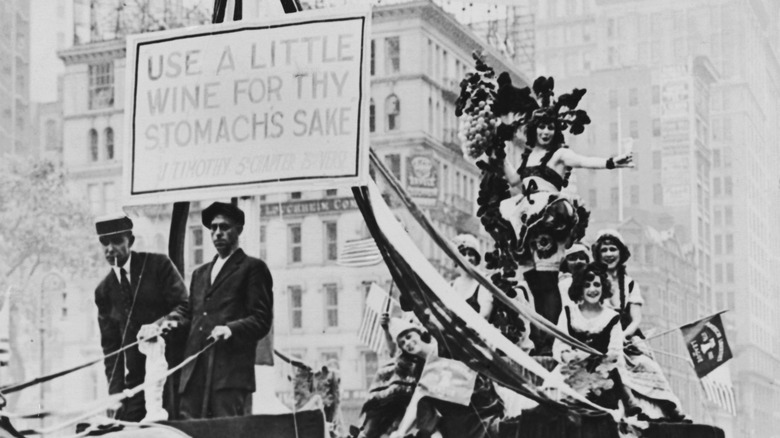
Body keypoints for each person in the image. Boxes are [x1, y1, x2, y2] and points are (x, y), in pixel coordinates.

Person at [492, 74, 632, 355]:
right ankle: (541, 336)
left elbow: (583, 161)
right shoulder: (528, 156)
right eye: (541, 127)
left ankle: (549, 339)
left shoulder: (559, 155)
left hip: (549, 219)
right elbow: (515, 183)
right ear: (534, 129)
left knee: (547, 282)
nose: (545, 132)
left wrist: (610, 162)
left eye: (550, 127)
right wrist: (500, 156)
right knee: (532, 282)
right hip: (524, 217)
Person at [178, 202, 274, 419]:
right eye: (213, 228)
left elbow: (261, 319)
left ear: (238, 230)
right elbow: (190, 315)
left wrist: (229, 329)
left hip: (229, 376)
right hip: (195, 374)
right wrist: (167, 325)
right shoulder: (200, 274)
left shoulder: (252, 268)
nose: (217, 233)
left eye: (224, 227)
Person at [93, 214, 189, 421]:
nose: (110, 249)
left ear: (131, 241)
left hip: (172, 374)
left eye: (117, 241)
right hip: (137, 381)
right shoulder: (103, 291)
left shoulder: (159, 265)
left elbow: (185, 307)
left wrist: (159, 326)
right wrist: (115, 397)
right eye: (104, 243)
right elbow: (112, 349)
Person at [591, 230, 686, 420]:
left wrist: (625, 336)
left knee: (647, 365)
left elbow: (635, 319)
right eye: (604, 250)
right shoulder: (593, 280)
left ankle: (669, 407)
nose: (609, 254)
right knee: (612, 363)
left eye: (613, 249)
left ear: (621, 253)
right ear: (598, 254)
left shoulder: (629, 283)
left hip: (627, 337)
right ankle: (628, 403)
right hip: (600, 336)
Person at [388, 319, 504, 438]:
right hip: (456, 417)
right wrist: (400, 432)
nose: (408, 343)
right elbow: (418, 398)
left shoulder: (443, 346)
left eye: (409, 336)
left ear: (419, 334)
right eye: (402, 343)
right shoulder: (419, 371)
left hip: (480, 404)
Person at [551, 263, 623, 409]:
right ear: (580, 288)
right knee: (554, 401)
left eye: (597, 284)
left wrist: (602, 359)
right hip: (571, 369)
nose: (592, 289)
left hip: (602, 373)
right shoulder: (568, 313)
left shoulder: (612, 317)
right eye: (587, 285)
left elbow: (615, 351)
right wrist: (569, 357)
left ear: (603, 287)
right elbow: (560, 345)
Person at [450, 233, 493, 319]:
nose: (467, 258)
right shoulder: (453, 285)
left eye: (471, 254)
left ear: (476, 258)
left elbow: (485, 315)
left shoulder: (483, 282)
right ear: (456, 260)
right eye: (463, 254)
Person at [557, 242, 592, 309]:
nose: (578, 261)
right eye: (572, 258)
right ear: (565, 263)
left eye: (582, 258)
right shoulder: (563, 283)